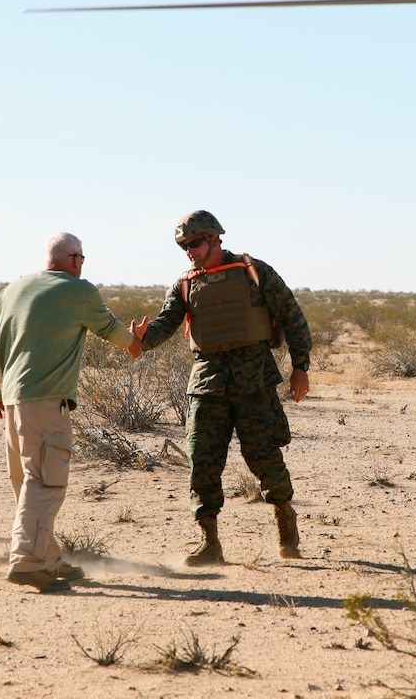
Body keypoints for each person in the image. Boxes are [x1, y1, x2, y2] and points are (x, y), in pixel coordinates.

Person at [131, 210, 312, 565]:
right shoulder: (184, 284)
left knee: (263, 456)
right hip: (207, 381)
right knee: (203, 460)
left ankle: (285, 518)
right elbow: (165, 323)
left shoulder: (254, 271)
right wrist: (140, 339)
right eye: (184, 246)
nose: (189, 251)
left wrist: (300, 368)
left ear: (215, 238)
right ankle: (209, 542)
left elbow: (293, 317)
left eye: (195, 243)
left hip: (254, 380)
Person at [0, 233, 143, 592]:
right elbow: (112, 332)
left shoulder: (13, 290)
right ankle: (27, 562)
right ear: (75, 259)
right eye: (82, 259)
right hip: (47, 402)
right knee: (45, 482)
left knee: (26, 482)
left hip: (12, 401)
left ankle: (48, 557)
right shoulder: (79, 291)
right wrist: (135, 342)